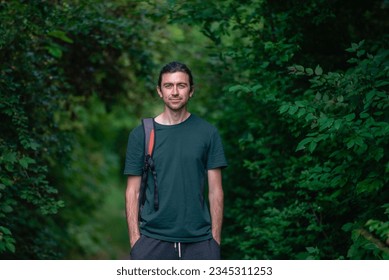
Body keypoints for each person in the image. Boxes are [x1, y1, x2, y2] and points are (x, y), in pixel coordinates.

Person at [123, 61, 227, 260]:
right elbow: (132, 191)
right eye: (168, 85)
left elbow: (215, 190)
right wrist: (136, 241)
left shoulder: (207, 133)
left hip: (200, 242)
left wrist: (214, 241)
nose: (175, 92)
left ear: (191, 90)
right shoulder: (141, 135)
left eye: (181, 85)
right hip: (152, 241)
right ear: (160, 91)